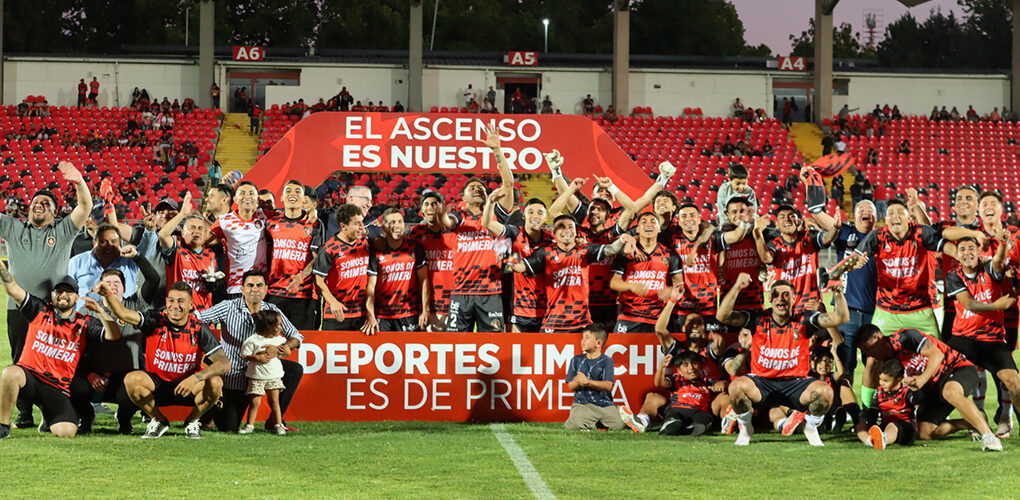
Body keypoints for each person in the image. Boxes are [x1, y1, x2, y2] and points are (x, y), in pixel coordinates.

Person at [0, 161, 93, 429]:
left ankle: (54, 408)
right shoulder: (14, 228)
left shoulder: (63, 230)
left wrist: (78, 182)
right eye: (35, 202)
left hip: (55, 308)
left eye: (45, 203)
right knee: (20, 359)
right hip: (18, 305)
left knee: (55, 359)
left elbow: (85, 207)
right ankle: (23, 413)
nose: (38, 205)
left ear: (55, 212)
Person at [717, 273, 849, 446]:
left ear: (794, 298)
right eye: (777, 294)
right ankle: (746, 427)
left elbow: (842, 318)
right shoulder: (758, 319)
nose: (781, 299)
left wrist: (838, 294)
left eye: (786, 294)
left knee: (825, 392)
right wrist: (737, 287)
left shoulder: (804, 320)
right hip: (762, 382)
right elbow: (722, 316)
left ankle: (810, 426)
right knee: (735, 388)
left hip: (795, 383)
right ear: (770, 298)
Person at [0, 268, 119, 439]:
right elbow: (13, 290)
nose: (63, 294)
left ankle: (48, 418)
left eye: (69, 291)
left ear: (77, 297)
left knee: (66, 432)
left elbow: (114, 335)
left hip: (56, 387)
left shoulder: (84, 323)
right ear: (52, 294)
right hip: (30, 378)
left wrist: (100, 312)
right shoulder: (39, 310)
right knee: (10, 373)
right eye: (59, 291)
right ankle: (2, 427)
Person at [105, 281, 230, 439]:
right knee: (131, 379)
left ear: (191, 305)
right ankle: (158, 420)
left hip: (188, 386)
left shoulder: (199, 328)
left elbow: (224, 363)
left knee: (216, 383)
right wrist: (107, 294)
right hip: (158, 385)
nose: (175, 305)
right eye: (171, 300)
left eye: (180, 301)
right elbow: (123, 314)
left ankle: (193, 421)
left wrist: (195, 378)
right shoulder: (155, 319)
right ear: (166, 302)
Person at [855, 325, 1002, 451]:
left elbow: (937, 355)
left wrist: (922, 378)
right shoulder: (885, 362)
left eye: (868, 348)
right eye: (864, 351)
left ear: (878, 336)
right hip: (933, 388)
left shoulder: (905, 337)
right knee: (924, 431)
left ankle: (989, 437)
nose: (869, 354)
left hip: (957, 368)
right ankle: (972, 421)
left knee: (950, 392)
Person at [194, 270, 303, 432]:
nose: (255, 289)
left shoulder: (272, 310)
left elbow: (296, 336)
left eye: (259, 285)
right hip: (236, 377)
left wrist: (285, 347)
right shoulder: (228, 307)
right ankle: (207, 414)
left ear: (266, 289)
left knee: (295, 370)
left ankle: (275, 420)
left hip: (262, 372)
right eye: (250, 285)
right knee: (228, 428)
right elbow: (197, 319)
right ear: (242, 289)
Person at [944, 234, 1020, 435]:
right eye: (962, 250)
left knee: (1014, 382)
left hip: (992, 340)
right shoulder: (953, 276)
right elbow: (968, 303)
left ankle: (1013, 421)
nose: (967, 253)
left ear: (979, 253)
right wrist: (996, 305)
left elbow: (997, 262)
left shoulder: (988, 269)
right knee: (940, 375)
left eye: (971, 248)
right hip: (963, 339)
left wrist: (1003, 244)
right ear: (957, 256)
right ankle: (938, 417)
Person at [511, 215, 633, 333]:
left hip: (581, 323)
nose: (567, 230)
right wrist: (505, 257)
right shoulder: (545, 253)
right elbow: (520, 267)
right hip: (554, 323)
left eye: (570, 227)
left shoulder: (585, 250)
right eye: (562, 227)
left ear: (576, 231)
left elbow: (611, 249)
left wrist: (624, 239)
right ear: (554, 231)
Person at [811, 201, 878, 379]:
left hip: (876, 313)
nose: (866, 213)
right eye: (861, 210)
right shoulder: (846, 233)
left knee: (875, 364)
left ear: (877, 217)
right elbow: (816, 214)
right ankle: (847, 405)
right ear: (854, 216)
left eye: (870, 211)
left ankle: (872, 406)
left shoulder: (882, 238)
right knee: (845, 364)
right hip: (846, 313)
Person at [480, 191, 552, 333]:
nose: (535, 216)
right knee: (517, 353)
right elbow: (487, 223)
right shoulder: (514, 233)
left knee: (540, 355)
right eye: (531, 212)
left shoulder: (552, 241)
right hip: (518, 312)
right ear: (524, 215)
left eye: (539, 213)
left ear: (545, 218)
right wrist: (491, 202)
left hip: (546, 311)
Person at [265, 180, 324, 330]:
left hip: (303, 294)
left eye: (298, 191)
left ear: (304, 198)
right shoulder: (270, 222)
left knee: (303, 344)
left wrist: (301, 277)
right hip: (274, 292)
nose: (293, 194)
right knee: (271, 342)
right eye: (288, 191)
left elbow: (317, 259)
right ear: (282, 198)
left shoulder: (314, 223)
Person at [610, 211, 682, 333]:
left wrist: (670, 290)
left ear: (659, 229)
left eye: (653, 222)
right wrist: (630, 286)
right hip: (629, 317)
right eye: (644, 222)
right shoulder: (626, 254)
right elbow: (613, 283)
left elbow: (679, 284)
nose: (648, 224)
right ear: (637, 229)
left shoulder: (670, 255)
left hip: (658, 319)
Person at [364, 208, 430, 333]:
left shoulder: (415, 248)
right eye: (392, 222)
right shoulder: (376, 252)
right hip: (382, 315)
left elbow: (424, 281)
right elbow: (370, 287)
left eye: (399, 221)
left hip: (409, 314)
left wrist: (425, 310)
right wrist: (370, 314)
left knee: (410, 351)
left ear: (404, 226)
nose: (396, 226)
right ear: (383, 228)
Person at [314, 204, 371, 331]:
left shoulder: (366, 242)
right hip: (336, 315)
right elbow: (318, 281)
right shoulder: (329, 249)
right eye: (357, 223)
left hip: (361, 314)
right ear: (343, 226)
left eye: (362, 222)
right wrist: (333, 302)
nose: (362, 227)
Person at [158, 193, 220, 308]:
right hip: (180, 314)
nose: (196, 231)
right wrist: (183, 214)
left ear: (205, 234)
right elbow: (163, 235)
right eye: (191, 228)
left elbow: (219, 236)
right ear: (183, 233)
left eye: (200, 228)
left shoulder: (211, 255)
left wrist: (197, 214)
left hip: (204, 316)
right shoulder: (177, 252)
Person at [210, 181, 270, 296]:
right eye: (242, 193)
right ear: (235, 199)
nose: (247, 196)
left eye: (251, 193)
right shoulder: (224, 221)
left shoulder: (265, 217)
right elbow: (202, 241)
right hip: (235, 288)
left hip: (260, 287)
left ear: (257, 199)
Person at [408, 192, 457, 331]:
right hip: (425, 303)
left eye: (434, 204)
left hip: (452, 301)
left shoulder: (454, 233)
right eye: (426, 204)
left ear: (441, 209)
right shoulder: (415, 233)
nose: (430, 207)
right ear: (422, 210)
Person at [656, 350, 730, 436]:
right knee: (673, 415)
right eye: (686, 365)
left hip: (699, 411)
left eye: (694, 363)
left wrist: (722, 383)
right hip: (678, 408)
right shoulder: (677, 380)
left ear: (701, 367)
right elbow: (660, 383)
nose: (691, 368)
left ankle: (693, 429)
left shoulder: (707, 381)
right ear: (679, 371)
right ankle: (670, 425)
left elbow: (725, 385)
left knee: (704, 418)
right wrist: (661, 368)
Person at [564, 325, 624, 430]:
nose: (582, 341)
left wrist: (588, 382)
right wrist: (577, 382)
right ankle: (596, 422)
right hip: (582, 404)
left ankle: (616, 414)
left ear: (598, 343)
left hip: (604, 405)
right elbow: (571, 386)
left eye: (587, 338)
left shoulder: (607, 361)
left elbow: (608, 385)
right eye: (582, 338)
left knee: (620, 425)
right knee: (575, 425)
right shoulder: (576, 360)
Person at [239, 310, 288, 435]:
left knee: (274, 401)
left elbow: (285, 353)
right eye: (278, 325)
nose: (280, 328)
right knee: (255, 402)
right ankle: (250, 425)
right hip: (257, 376)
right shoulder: (253, 340)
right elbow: (244, 355)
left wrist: (286, 351)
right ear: (268, 326)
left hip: (274, 376)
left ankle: (278, 424)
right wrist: (256, 358)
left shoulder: (279, 340)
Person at [854, 359, 920, 449]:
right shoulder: (879, 392)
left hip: (906, 428)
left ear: (898, 380)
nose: (882, 383)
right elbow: (873, 413)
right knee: (860, 426)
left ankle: (884, 439)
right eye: (880, 379)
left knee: (892, 425)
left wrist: (915, 389)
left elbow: (917, 401)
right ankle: (870, 441)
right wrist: (871, 427)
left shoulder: (906, 392)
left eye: (886, 381)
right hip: (885, 426)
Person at [716, 163, 759, 227]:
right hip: (727, 219)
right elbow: (721, 208)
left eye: (744, 183)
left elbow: (753, 210)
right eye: (738, 183)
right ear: (730, 180)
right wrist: (726, 225)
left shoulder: (750, 192)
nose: (741, 187)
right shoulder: (724, 189)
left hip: (743, 220)